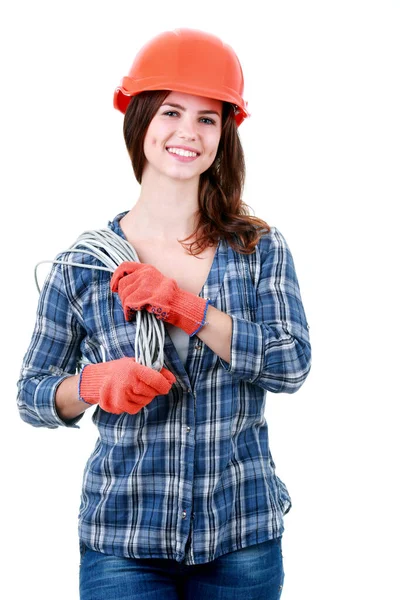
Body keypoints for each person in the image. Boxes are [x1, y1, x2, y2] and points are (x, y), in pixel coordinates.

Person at [17, 28, 311, 600]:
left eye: (207, 118)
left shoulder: (259, 249)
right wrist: (94, 384)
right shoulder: (84, 263)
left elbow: (291, 364)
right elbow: (32, 394)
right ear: (141, 121)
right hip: (123, 544)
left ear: (225, 133)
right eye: (171, 111)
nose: (187, 133)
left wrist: (186, 306)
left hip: (242, 537)